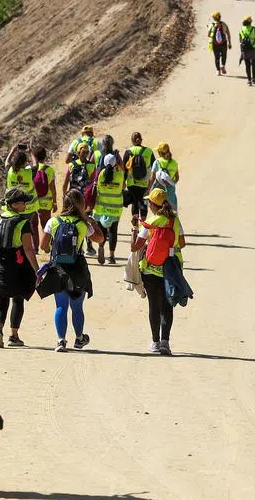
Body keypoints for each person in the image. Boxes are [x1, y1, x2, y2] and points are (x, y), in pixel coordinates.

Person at [38, 191, 105, 352]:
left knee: (61, 305)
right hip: (77, 268)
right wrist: (92, 221)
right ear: (81, 204)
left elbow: (43, 246)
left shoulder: (53, 221)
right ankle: (79, 338)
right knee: (77, 306)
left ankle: (61, 340)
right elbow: (100, 239)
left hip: (58, 268)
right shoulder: (83, 224)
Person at [131, 188, 186, 355]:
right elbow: (182, 243)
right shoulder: (174, 220)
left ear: (152, 205)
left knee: (153, 306)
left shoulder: (150, 222)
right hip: (171, 268)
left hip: (150, 269)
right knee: (167, 305)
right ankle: (165, 342)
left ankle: (155, 342)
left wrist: (134, 230)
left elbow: (135, 247)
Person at [0, 188, 40, 349]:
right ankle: (14, 336)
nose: (26, 204)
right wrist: (37, 270)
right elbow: (28, 249)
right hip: (17, 266)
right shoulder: (23, 223)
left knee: (1, 301)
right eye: (24, 202)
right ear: (15, 204)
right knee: (18, 299)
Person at [90, 154, 125, 265]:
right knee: (113, 231)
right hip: (115, 209)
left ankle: (101, 246)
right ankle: (112, 256)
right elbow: (123, 187)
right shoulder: (119, 175)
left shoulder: (101, 174)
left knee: (102, 230)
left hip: (101, 208)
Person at [4, 148, 40, 242]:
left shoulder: (10, 171)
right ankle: (27, 248)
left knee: (15, 230)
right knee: (25, 230)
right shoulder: (29, 173)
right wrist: (31, 152)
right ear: (25, 163)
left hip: (12, 208)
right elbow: (36, 164)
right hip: (28, 208)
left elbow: (7, 161)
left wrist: (12, 150)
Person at [122, 132, 155, 227]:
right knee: (143, 203)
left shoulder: (128, 152)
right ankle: (143, 223)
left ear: (132, 140)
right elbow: (154, 167)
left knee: (135, 203)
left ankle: (135, 225)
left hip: (131, 183)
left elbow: (124, 169)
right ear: (141, 139)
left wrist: (123, 183)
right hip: (145, 183)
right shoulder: (148, 151)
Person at [63, 142, 97, 209]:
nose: (85, 154)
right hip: (84, 198)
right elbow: (93, 185)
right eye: (85, 152)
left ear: (78, 153)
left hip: (72, 196)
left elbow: (65, 183)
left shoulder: (71, 165)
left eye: (86, 152)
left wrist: (64, 197)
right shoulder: (92, 166)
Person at [32, 146, 56, 230]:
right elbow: (52, 187)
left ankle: (36, 243)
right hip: (46, 202)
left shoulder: (29, 169)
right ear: (45, 156)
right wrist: (55, 202)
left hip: (33, 202)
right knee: (46, 227)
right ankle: (47, 243)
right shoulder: (49, 170)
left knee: (34, 228)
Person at [238, 16, 255, 86]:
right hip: (254, 48)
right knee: (254, 64)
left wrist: (242, 51)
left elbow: (240, 41)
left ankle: (249, 80)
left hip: (245, 49)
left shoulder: (241, 29)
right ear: (250, 22)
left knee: (247, 65)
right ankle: (253, 78)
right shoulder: (254, 29)